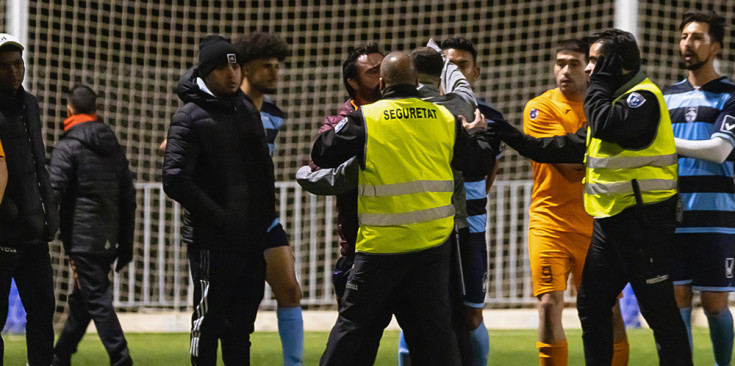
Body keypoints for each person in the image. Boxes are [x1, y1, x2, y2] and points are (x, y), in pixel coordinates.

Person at [490, 29, 692, 365]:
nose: (587, 69)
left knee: (659, 314)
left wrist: (599, 84)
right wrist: (509, 134)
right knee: (592, 304)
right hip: (609, 224)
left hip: (644, 225)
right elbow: (564, 146)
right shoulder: (612, 103)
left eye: (595, 61)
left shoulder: (641, 98)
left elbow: (603, 124)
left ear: (616, 64)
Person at [313, 51, 495, 366]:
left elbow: (323, 153)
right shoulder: (444, 120)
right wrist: (477, 135)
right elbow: (477, 164)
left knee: (353, 328)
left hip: (380, 248)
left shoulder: (366, 119)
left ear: (382, 83)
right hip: (431, 249)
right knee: (436, 336)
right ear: (417, 82)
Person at [163, 35, 277, 365]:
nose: (232, 72)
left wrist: (263, 215)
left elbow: (262, 167)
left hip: (251, 239)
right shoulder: (189, 116)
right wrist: (219, 216)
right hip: (213, 241)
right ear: (206, 72)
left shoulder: (246, 109)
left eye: (235, 64)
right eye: (222, 66)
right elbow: (174, 179)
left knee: (241, 326)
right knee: (208, 323)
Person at [522, 39, 629, 366]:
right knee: (549, 304)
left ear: (589, 68)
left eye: (572, 63)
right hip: (549, 223)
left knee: (608, 307)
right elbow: (568, 167)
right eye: (559, 63)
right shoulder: (540, 108)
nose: (564, 70)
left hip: (598, 224)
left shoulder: (607, 107)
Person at [664, 10, 735, 366]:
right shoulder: (665, 97)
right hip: (674, 216)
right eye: (684, 37)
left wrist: (664, 141)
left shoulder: (730, 96)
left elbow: (721, 150)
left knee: (714, 303)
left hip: (716, 216)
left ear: (716, 46)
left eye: (697, 37)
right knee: (677, 298)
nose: (687, 44)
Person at [49, 84, 136, 366]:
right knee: (84, 300)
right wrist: (126, 242)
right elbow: (128, 197)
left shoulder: (68, 146)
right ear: (96, 111)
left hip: (82, 239)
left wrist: (41, 227)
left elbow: (54, 191)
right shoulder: (113, 146)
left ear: (69, 110)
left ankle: (121, 358)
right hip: (108, 238)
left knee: (95, 298)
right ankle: (60, 356)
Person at [234, 32, 303, 366]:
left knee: (290, 290)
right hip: (231, 224)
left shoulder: (274, 114)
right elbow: (175, 144)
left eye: (277, 66)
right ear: (245, 69)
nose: (274, 73)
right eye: (266, 66)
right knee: (236, 308)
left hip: (265, 218)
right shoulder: (227, 109)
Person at [0, 33, 60, 366]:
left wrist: (48, 210)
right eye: (5, 66)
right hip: (3, 234)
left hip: (34, 232)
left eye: (17, 64)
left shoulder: (31, 104)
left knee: (42, 311)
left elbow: (38, 163)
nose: (13, 72)